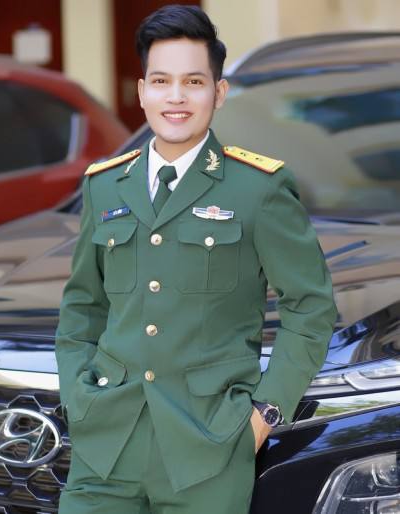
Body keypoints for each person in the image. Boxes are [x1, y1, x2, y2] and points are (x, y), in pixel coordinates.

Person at [55, 4, 338, 514]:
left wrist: (265, 414)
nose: (176, 97)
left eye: (194, 82)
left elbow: (310, 306)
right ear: (142, 91)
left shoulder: (258, 188)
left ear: (218, 93)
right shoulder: (105, 184)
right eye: (161, 81)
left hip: (208, 449)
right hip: (105, 449)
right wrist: (79, 398)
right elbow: (83, 307)